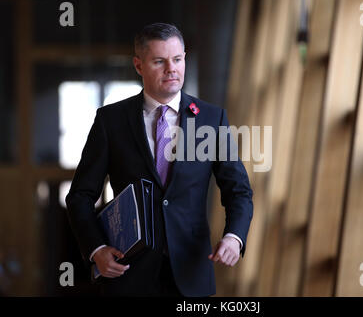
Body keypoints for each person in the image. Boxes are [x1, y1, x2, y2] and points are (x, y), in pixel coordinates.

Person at [66, 23, 253, 297]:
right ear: (139, 65)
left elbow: (239, 190)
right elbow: (80, 195)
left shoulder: (212, 119)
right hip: (128, 274)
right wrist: (96, 250)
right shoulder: (111, 121)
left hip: (192, 275)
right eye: (159, 61)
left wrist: (234, 237)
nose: (171, 69)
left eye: (177, 59)